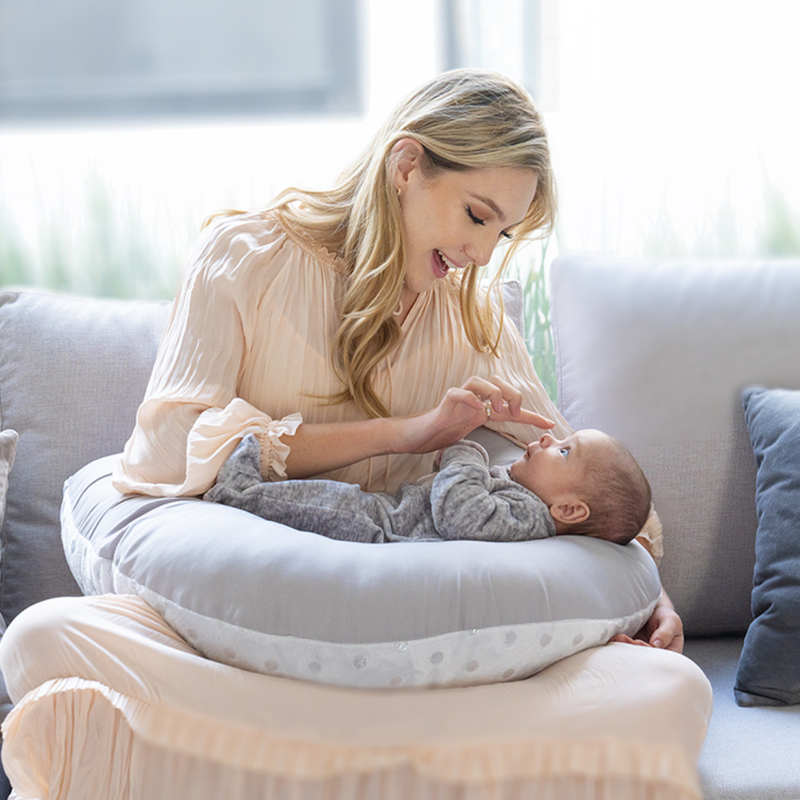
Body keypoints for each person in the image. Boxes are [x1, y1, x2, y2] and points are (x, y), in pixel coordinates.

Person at [110, 68, 682, 651]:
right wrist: (401, 434)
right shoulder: (245, 258)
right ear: (406, 167)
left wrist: (648, 601)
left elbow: (587, 476)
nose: (482, 256)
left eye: (503, 235)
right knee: (48, 635)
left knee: (665, 690)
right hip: (241, 612)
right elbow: (168, 451)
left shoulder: (473, 321)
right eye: (477, 216)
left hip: (400, 634)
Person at [205, 427, 651, 547]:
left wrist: (466, 453)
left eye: (565, 452)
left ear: (570, 510)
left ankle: (238, 496)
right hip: (391, 514)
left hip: (385, 528)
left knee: (318, 504)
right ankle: (245, 495)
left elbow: (459, 512)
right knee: (314, 498)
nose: (550, 439)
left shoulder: (529, 517)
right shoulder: (530, 503)